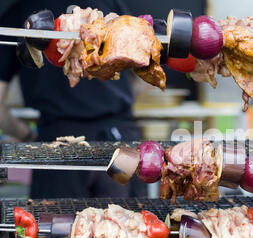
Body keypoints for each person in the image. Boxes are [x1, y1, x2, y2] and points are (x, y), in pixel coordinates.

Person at [0, 0, 146, 198]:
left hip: (57, 143)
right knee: (125, 224)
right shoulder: (111, 3)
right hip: (118, 138)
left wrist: (27, 136)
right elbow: (144, 74)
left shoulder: (24, 11)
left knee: (59, 224)